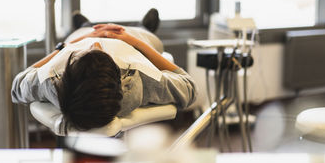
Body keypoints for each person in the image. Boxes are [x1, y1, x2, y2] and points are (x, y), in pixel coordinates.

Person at [11, 9, 197, 132]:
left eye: (84, 53)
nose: (96, 43)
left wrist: (68, 45)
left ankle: (84, 26)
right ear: (119, 74)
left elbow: (18, 84)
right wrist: (133, 40)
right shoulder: (139, 78)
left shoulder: (51, 81)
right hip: (129, 38)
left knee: (84, 28)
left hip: (80, 36)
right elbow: (189, 87)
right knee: (147, 33)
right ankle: (143, 27)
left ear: (66, 74)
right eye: (100, 51)